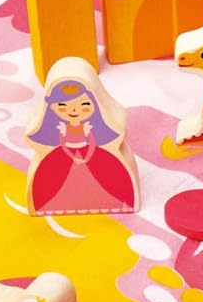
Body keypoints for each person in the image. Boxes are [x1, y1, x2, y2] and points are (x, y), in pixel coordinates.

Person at [27, 78, 136, 214]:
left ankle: (121, 201)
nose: (73, 110)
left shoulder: (87, 127)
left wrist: (87, 157)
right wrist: (72, 156)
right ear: (53, 107)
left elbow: (92, 142)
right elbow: (62, 143)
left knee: (108, 173)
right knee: (51, 177)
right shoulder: (62, 129)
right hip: (64, 154)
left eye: (84, 105)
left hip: (90, 152)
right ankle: (46, 204)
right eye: (63, 107)